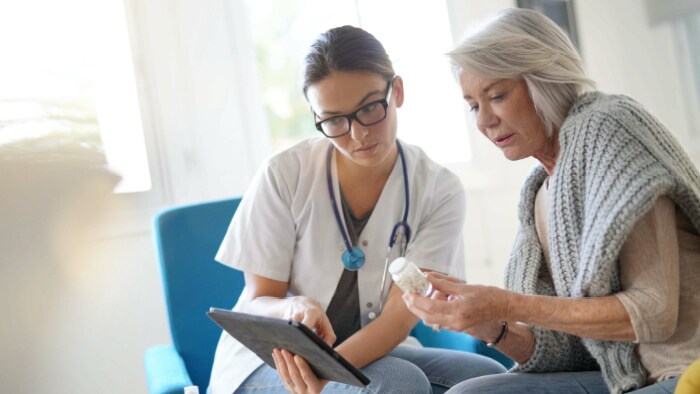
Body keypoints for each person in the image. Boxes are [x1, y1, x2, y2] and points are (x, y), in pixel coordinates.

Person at [402, 8, 700, 394]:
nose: (483, 121)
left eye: (497, 95)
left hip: (683, 371)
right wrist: (489, 324)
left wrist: (504, 304)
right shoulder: (540, 192)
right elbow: (573, 351)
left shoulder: (609, 128)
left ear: (544, 80)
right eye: (474, 105)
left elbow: (654, 314)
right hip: (621, 378)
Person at [207, 25, 506, 394]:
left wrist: (327, 372)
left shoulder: (438, 189)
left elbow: (401, 314)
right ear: (316, 115)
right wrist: (294, 307)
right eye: (334, 120)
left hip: (365, 352)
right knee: (399, 383)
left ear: (396, 91)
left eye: (369, 109)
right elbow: (257, 299)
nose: (358, 134)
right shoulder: (284, 173)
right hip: (275, 361)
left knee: (485, 377)